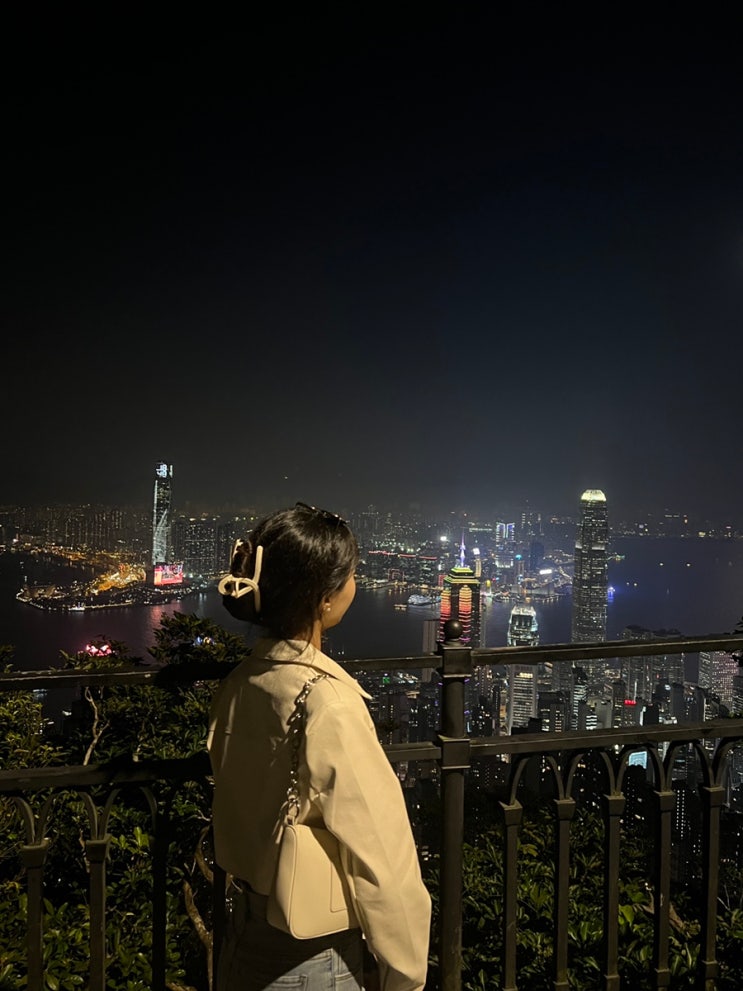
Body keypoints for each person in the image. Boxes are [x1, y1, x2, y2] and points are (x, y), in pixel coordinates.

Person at [208, 502, 431, 991]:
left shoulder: (241, 682)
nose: (356, 583)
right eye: (350, 574)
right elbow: (381, 858)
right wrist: (407, 976)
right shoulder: (328, 703)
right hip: (312, 958)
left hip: (242, 937)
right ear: (324, 599)